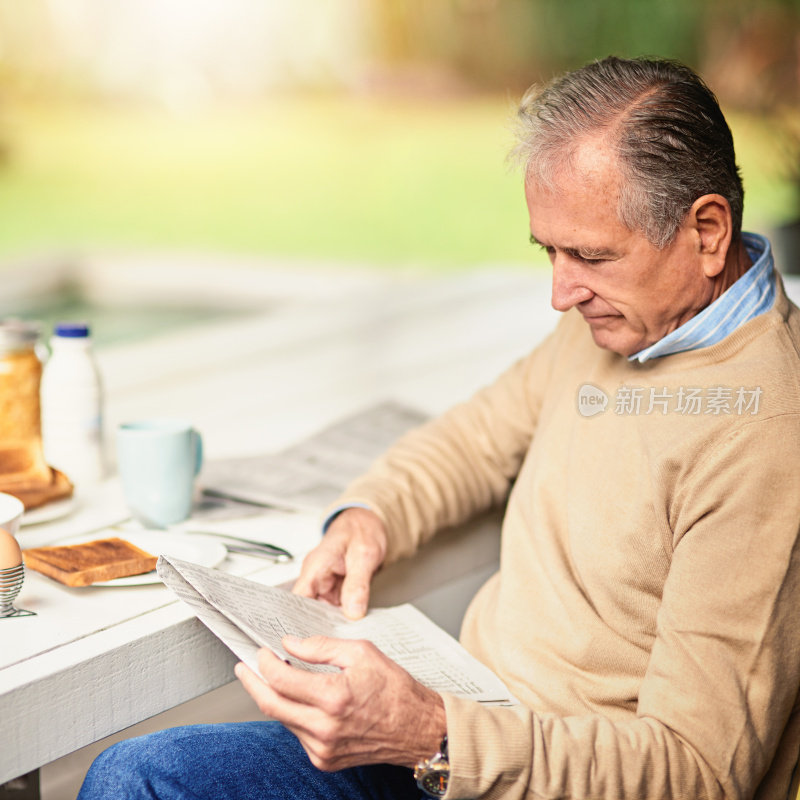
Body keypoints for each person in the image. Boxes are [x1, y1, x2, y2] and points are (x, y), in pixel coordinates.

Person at [78, 56, 800, 800]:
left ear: (708, 232)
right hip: (459, 746)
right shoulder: (624, 318)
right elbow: (476, 437)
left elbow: (699, 773)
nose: (560, 293)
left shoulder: (767, 433)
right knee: (134, 779)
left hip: (498, 762)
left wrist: (435, 734)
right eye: (548, 250)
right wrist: (371, 513)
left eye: (588, 255)